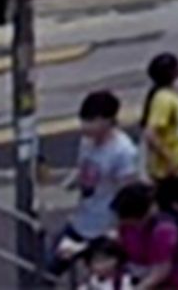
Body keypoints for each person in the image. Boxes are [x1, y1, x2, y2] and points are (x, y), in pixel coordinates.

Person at [63, 88, 146, 257]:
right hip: (82, 220)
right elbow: (82, 170)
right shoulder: (86, 142)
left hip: (105, 228)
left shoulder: (123, 152)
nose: (85, 126)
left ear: (108, 121)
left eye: (91, 121)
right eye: (84, 120)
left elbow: (128, 194)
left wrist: (118, 229)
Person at [139, 51, 178, 214]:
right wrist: (170, 159)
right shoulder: (164, 99)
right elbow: (151, 133)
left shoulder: (168, 95)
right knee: (171, 209)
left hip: (176, 167)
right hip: (168, 170)